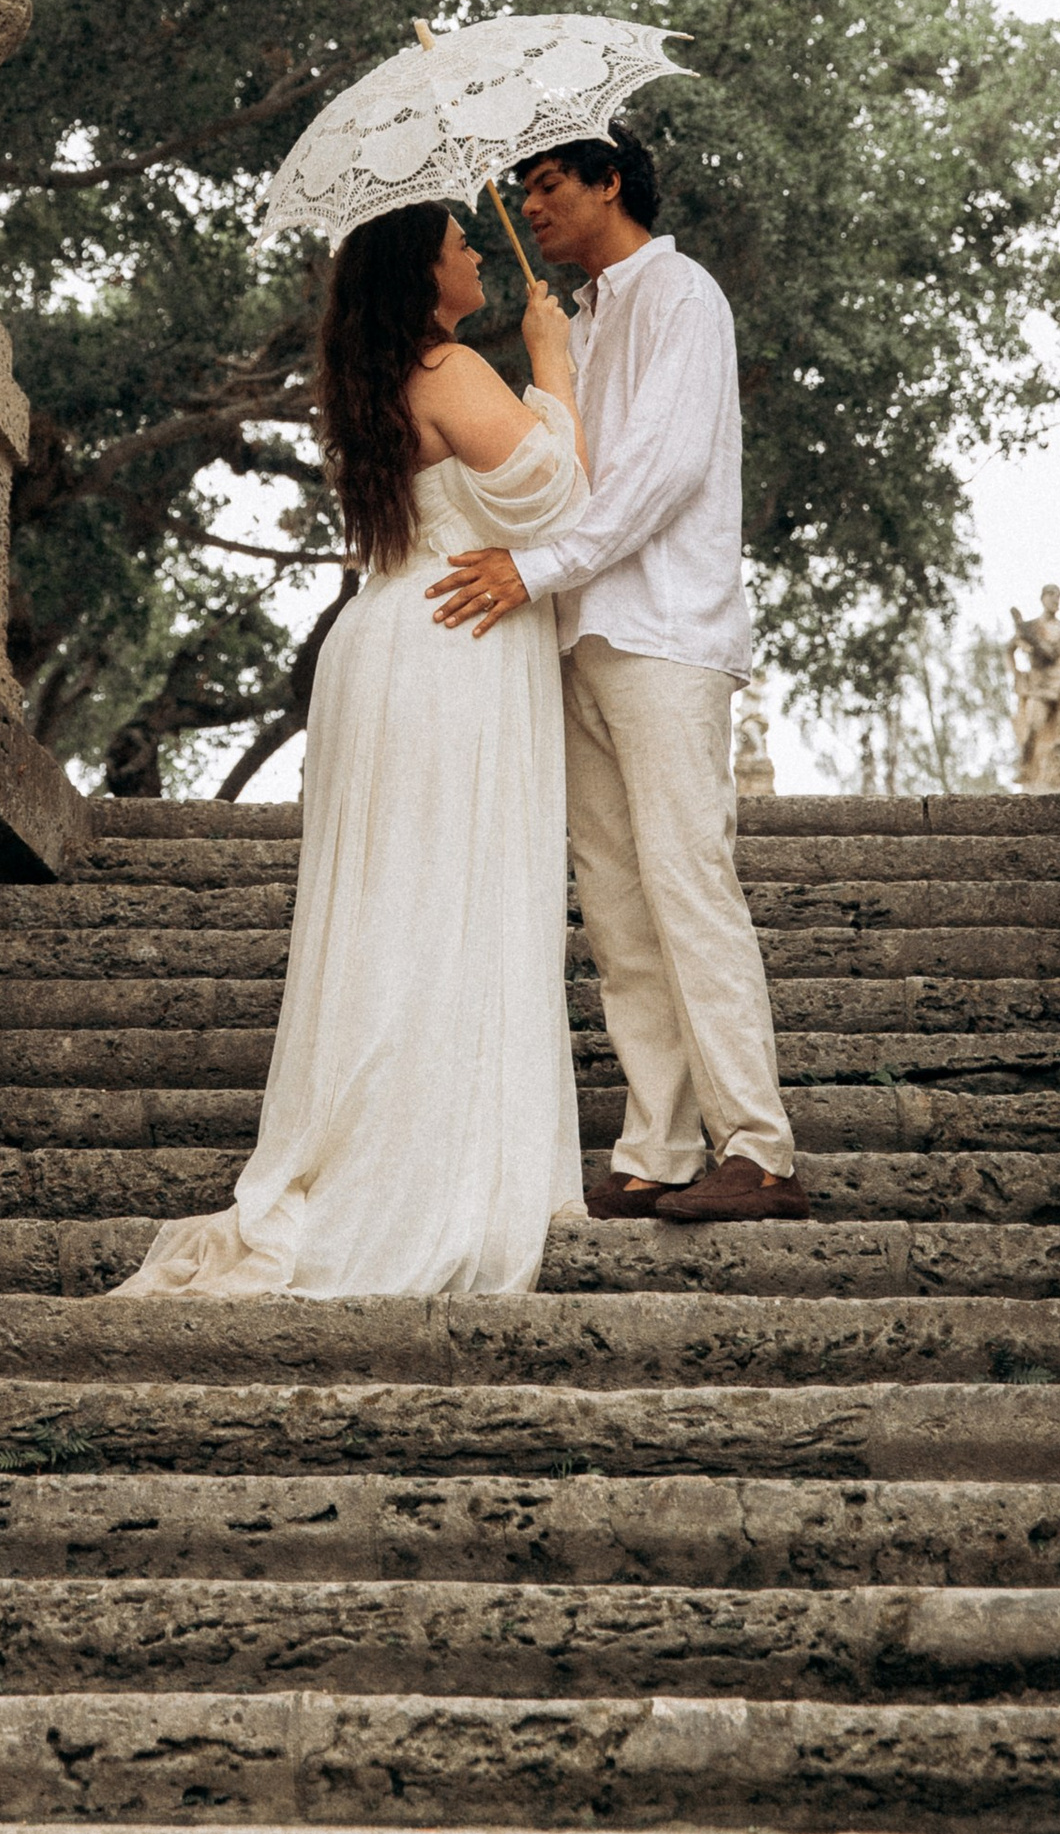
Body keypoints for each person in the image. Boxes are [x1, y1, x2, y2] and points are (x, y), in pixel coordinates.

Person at [109, 202, 590, 1299]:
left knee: (398, 908)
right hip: (453, 643)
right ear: (424, 274)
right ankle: (425, 1167)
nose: (477, 250)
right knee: (448, 902)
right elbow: (561, 497)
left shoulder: (370, 380)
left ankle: (400, 1132)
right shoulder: (450, 365)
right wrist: (551, 362)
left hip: (390, 636)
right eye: (461, 241)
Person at [427, 129, 807, 1229]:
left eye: (549, 187)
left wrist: (536, 568)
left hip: (664, 631)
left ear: (609, 184)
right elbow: (569, 475)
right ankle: (658, 1145)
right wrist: (551, 358)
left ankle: (759, 1147)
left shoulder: (679, 292)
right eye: (521, 193)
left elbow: (660, 471)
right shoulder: (581, 316)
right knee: (615, 904)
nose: (530, 208)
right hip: (578, 634)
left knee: (688, 881)